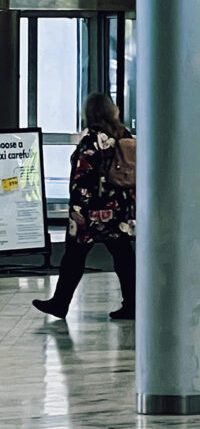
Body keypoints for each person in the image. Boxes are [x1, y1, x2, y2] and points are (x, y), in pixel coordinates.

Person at [33, 93, 136, 319]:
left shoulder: (91, 139)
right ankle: (133, 303)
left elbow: (83, 176)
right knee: (124, 257)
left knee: (74, 256)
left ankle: (60, 303)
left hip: (91, 209)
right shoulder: (122, 134)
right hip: (117, 207)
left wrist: (77, 208)